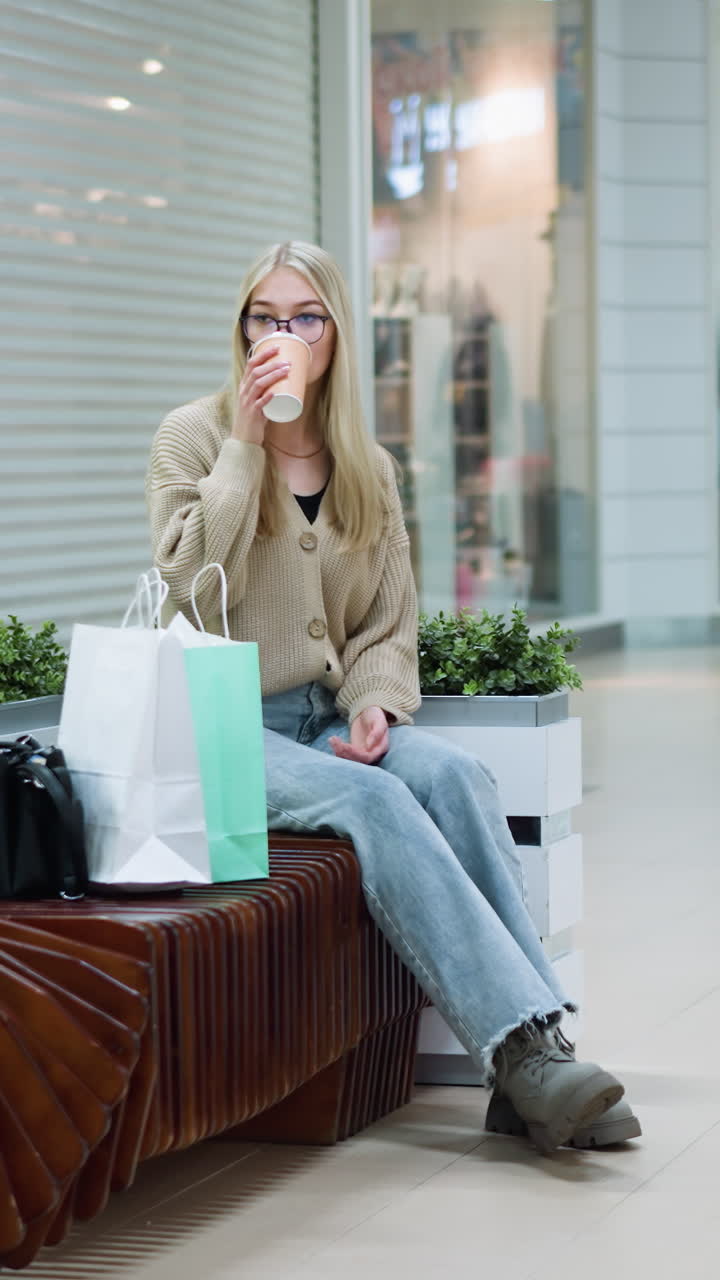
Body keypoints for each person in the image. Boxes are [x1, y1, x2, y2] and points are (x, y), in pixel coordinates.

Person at [147, 240, 640, 1155]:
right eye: (265, 317)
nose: (280, 334)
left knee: (455, 775)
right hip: (220, 727)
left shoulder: (366, 464)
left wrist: (376, 701)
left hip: (328, 723)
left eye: (303, 318)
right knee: (375, 799)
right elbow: (184, 573)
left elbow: (388, 624)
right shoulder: (195, 436)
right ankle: (528, 1061)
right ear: (243, 327)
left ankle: (529, 1052)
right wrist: (247, 447)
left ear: (334, 336)